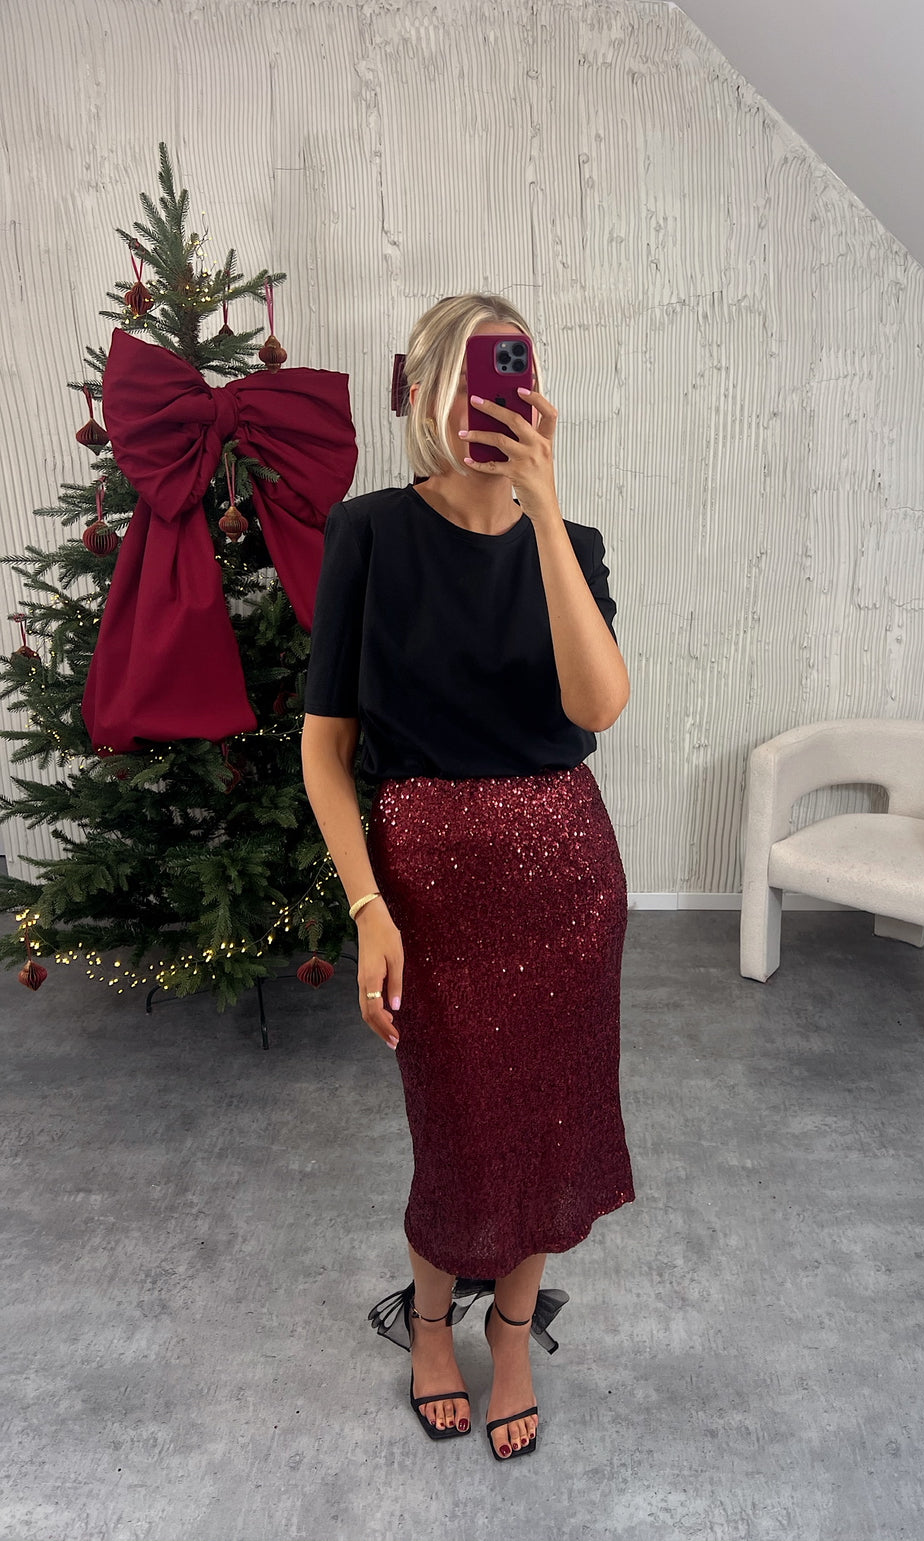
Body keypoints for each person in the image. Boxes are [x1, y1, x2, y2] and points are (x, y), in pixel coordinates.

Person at [300, 293, 636, 1462]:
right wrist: (366, 904)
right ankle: (432, 1322)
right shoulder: (369, 534)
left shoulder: (572, 543)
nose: (490, 402)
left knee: (547, 1125)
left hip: (569, 884)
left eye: (513, 376)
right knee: (451, 1131)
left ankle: (511, 1334)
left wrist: (543, 511)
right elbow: (325, 749)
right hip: (429, 891)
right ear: (428, 392)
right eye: (469, 380)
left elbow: (597, 705)